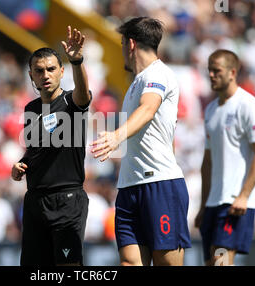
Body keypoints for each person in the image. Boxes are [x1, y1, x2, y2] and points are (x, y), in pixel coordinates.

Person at [90, 17, 191, 266]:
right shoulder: (136, 81)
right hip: (129, 187)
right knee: (129, 263)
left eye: (122, 44)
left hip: (159, 184)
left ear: (130, 44)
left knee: (166, 264)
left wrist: (116, 136)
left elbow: (148, 109)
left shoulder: (159, 74)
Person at [11, 26, 91, 266]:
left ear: (62, 71)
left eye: (51, 69)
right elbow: (36, 150)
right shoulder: (31, 109)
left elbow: (84, 95)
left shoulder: (71, 101)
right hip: (35, 200)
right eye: (39, 70)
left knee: (68, 267)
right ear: (31, 76)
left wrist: (78, 61)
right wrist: (21, 164)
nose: (45, 75)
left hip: (67, 198)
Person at [194, 49, 255, 266]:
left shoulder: (249, 106)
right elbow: (207, 162)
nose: (211, 75)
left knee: (221, 261)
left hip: (235, 200)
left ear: (232, 72)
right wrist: (202, 205)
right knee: (212, 263)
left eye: (216, 70)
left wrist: (244, 195)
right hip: (213, 202)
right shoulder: (210, 110)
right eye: (209, 70)